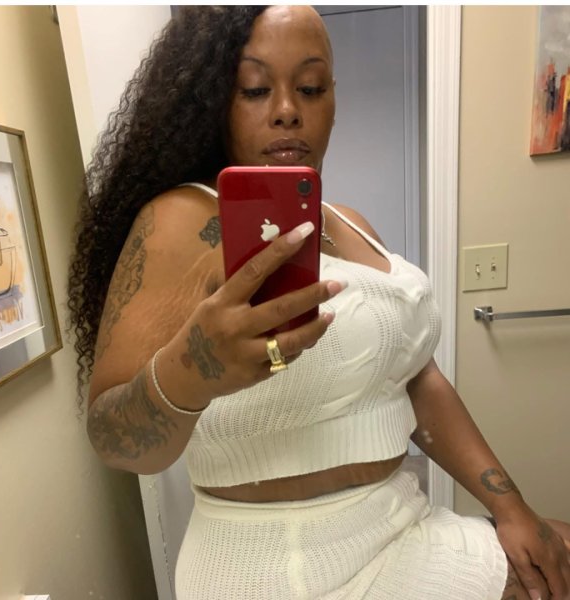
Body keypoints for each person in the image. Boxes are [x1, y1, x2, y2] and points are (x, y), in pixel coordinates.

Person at [67, 6, 570, 599]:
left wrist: (510, 507)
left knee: (557, 553)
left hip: (399, 526)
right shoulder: (179, 220)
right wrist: (193, 371)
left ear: (333, 99)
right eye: (255, 89)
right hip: (277, 566)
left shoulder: (350, 222)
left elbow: (419, 378)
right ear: (212, 102)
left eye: (309, 87)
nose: (287, 109)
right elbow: (111, 436)